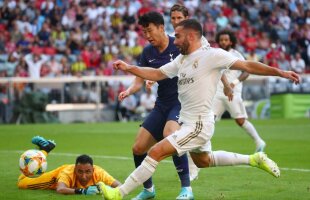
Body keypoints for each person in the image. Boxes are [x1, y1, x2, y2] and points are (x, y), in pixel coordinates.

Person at [99, 19, 300, 200]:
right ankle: (254, 159)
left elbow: (247, 65)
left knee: (155, 151)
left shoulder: (213, 55)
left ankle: (119, 193)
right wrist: (129, 67)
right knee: (203, 161)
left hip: (198, 125)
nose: (175, 42)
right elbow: (158, 73)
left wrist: (281, 72)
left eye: (178, 37)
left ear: (192, 36)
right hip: (188, 122)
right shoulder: (182, 60)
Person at [117, 11, 193, 200]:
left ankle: (187, 189)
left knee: (170, 135)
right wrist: (129, 91)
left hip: (181, 103)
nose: (147, 36)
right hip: (161, 105)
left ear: (161, 27)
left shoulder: (178, 45)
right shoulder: (147, 52)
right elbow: (138, 80)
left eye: (150, 31)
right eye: (144, 32)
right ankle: (149, 190)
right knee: (138, 148)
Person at [214, 29, 266, 152]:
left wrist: (233, 83)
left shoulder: (236, 55)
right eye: (221, 40)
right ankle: (202, 148)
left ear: (231, 41)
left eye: (226, 40)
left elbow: (247, 71)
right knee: (209, 120)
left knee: (240, 120)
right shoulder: (215, 54)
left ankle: (259, 141)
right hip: (217, 93)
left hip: (233, 93)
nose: (223, 42)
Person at [18, 136, 121, 195]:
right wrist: (83, 191)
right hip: (55, 177)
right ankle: (45, 150)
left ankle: (46, 148)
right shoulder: (68, 173)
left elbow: (120, 186)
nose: (84, 176)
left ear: (93, 169)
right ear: (75, 169)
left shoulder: (99, 173)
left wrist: (109, 190)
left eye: (88, 172)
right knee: (22, 183)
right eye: (80, 172)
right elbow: (60, 189)